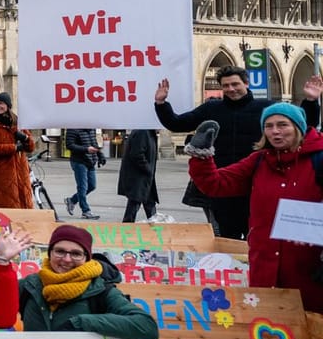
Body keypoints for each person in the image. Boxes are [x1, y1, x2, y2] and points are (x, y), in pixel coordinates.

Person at [186, 100, 323, 309]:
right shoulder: (259, 160)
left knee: (313, 335)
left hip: (309, 271)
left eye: (282, 125)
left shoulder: (318, 160)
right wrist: (200, 155)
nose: (275, 131)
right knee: (268, 333)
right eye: (269, 126)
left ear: (298, 127)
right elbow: (216, 184)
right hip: (265, 271)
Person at [155, 69, 266, 237]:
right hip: (223, 183)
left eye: (235, 84)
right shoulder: (212, 108)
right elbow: (177, 123)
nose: (231, 89)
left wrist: (310, 101)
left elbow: (300, 125)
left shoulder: (265, 108)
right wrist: (161, 104)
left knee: (258, 235)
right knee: (226, 236)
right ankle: (231, 264)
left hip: (257, 183)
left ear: (246, 84)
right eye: (226, 85)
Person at [17, 225, 161, 339]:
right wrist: (1, 262)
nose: (67, 259)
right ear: (50, 253)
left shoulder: (101, 291)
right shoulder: (31, 285)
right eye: (60, 251)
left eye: (76, 253)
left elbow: (147, 328)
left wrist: (82, 323)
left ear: (87, 258)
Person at [0, 93, 33, 209]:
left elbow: (31, 147)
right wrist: (14, 147)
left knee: (25, 207)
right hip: (1, 173)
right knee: (5, 208)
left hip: (21, 172)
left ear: (8, 106)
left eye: (1, 103)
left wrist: (25, 138)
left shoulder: (17, 122)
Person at [118, 127, 160, 222]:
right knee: (134, 203)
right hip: (138, 176)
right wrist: (148, 168)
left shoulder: (149, 132)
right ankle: (127, 228)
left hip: (145, 177)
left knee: (149, 203)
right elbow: (136, 154)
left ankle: (155, 227)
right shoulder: (143, 132)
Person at [62, 126, 102, 218]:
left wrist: (100, 155)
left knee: (92, 186)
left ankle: (72, 200)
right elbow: (69, 145)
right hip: (79, 161)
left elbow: (94, 142)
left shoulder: (91, 128)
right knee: (82, 187)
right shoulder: (73, 128)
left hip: (90, 161)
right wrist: (86, 149)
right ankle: (86, 211)